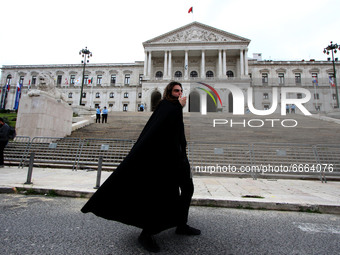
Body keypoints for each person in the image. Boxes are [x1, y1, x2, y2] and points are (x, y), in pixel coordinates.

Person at [81, 81, 200, 253]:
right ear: (169, 92)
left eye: (180, 91)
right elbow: (161, 127)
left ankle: (181, 224)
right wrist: (178, 106)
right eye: (176, 90)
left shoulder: (173, 108)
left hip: (179, 157)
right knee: (161, 196)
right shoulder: (166, 106)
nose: (179, 93)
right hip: (165, 160)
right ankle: (146, 234)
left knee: (188, 188)